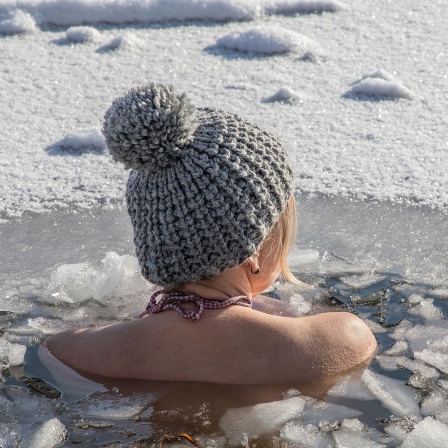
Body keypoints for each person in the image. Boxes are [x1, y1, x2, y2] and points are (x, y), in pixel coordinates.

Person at [45, 82, 376, 385]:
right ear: (255, 246)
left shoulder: (74, 349)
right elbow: (354, 339)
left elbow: (56, 346)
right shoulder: (340, 337)